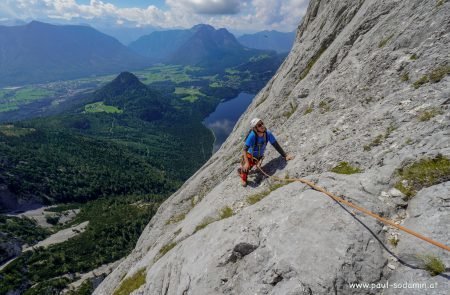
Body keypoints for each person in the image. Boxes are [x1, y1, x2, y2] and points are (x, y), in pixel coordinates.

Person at [238, 118, 294, 186]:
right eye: (259, 125)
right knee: (246, 168)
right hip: (250, 156)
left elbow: (276, 145)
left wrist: (285, 156)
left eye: (262, 123)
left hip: (259, 157)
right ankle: (243, 178)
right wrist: (246, 163)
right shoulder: (252, 136)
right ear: (255, 128)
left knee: (253, 167)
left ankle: (248, 166)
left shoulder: (268, 134)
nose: (262, 126)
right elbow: (244, 149)